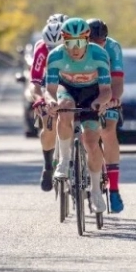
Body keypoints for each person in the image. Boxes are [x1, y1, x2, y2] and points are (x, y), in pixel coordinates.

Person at [43, 17, 113, 213]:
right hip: (68, 90)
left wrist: (100, 102)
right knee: (64, 108)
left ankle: (96, 190)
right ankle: (64, 162)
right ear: (63, 41)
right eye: (69, 42)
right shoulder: (56, 56)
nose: (75, 48)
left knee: (91, 142)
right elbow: (50, 89)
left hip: (92, 93)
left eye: (80, 42)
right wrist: (50, 101)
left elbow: (106, 90)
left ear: (87, 39)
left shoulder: (99, 54)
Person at [87, 18, 126, 213]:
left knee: (108, 129)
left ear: (105, 39)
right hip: (84, 91)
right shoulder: (76, 48)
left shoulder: (113, 48)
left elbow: (117, 81)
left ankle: (114, 189)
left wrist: (114, 100)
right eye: (91, 41)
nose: (95, 45)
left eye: (99, 41)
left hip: (107, 91)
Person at [30, 14, 67, 191]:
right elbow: (35, 83)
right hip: (48, 84)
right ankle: (48, 165)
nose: (53, 51)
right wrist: (38, 99)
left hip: (70, 82)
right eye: (50, 47)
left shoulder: (77, 47)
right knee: (48, 126)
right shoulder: (41, 49)